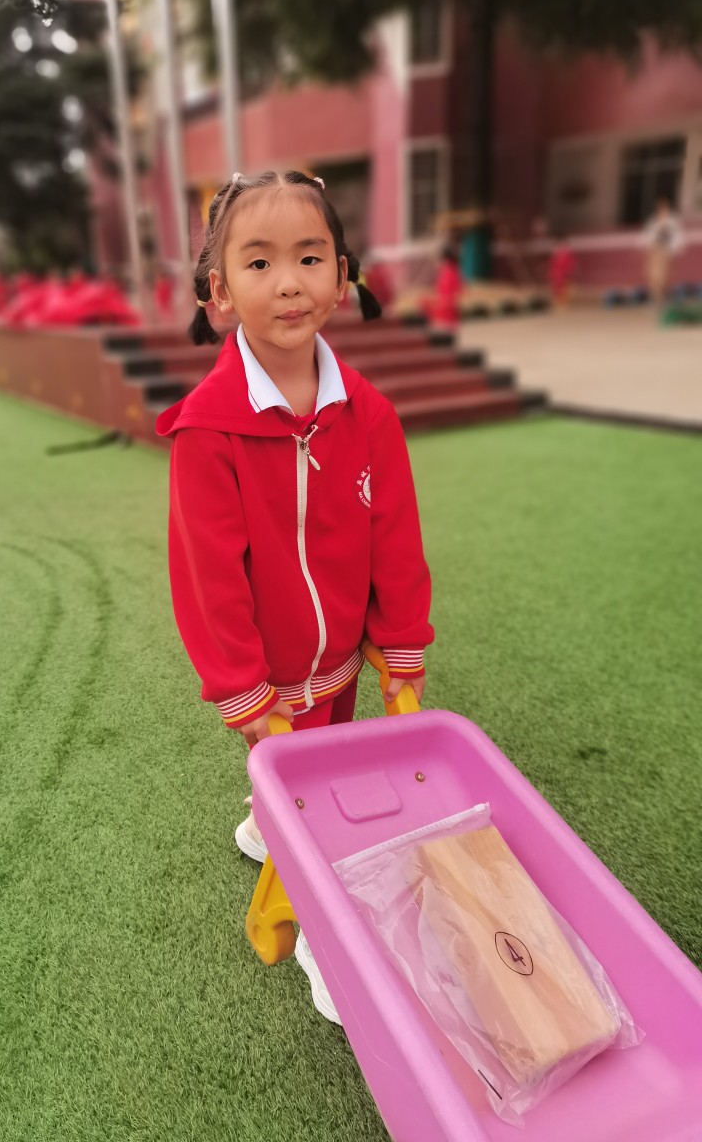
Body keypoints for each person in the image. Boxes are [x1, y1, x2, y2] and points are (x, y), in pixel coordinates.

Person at [156, 170, 434, 1023]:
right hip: (269, 673)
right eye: (260, 262)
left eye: (310, 259)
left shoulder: (369, 415)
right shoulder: (209, 431)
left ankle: (266, 823)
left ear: (342, 279)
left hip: (341, 658)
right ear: (219, 291)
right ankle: (321, 933)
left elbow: (395, 535)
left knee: (325, 775)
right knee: (313, 805)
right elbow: (207, 572)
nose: (288, 283)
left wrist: (401, 641)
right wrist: (242, 688)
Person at [643, 197, 684, 302]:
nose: (662, 210)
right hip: (655, 248)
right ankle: (655, 296)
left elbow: (676, 235)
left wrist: (675, 249)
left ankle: (662, 295)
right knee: (654, 274)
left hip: (666, 250)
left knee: (663, 274)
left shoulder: (672, 221)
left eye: (664, 208)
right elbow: (648, 235)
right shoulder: (654, 220)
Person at [548, 236, 575, 308]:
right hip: (557, 273)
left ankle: (563, 302)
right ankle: (559, 302)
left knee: (564, 288)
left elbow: (570, 264)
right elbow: (553, 265)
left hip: (563, 274)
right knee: (557, 288)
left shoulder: (567, 254)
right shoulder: (556, 255)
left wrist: (569, 271)